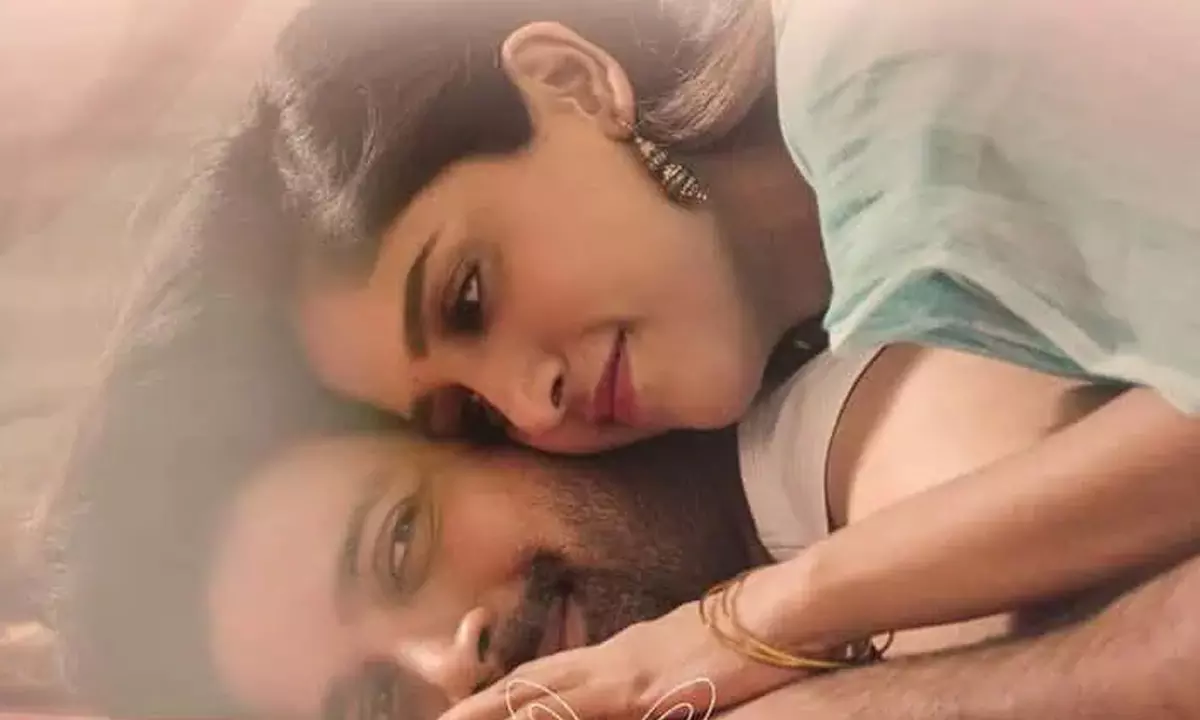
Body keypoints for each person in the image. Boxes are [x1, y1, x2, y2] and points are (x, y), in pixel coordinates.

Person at [183, 0, 1200, 716]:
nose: (533, 406)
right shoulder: (853, 314)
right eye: (476, 415)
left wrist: (747, 630)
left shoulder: (876, 66)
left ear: (572, 83)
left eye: (470, 297)